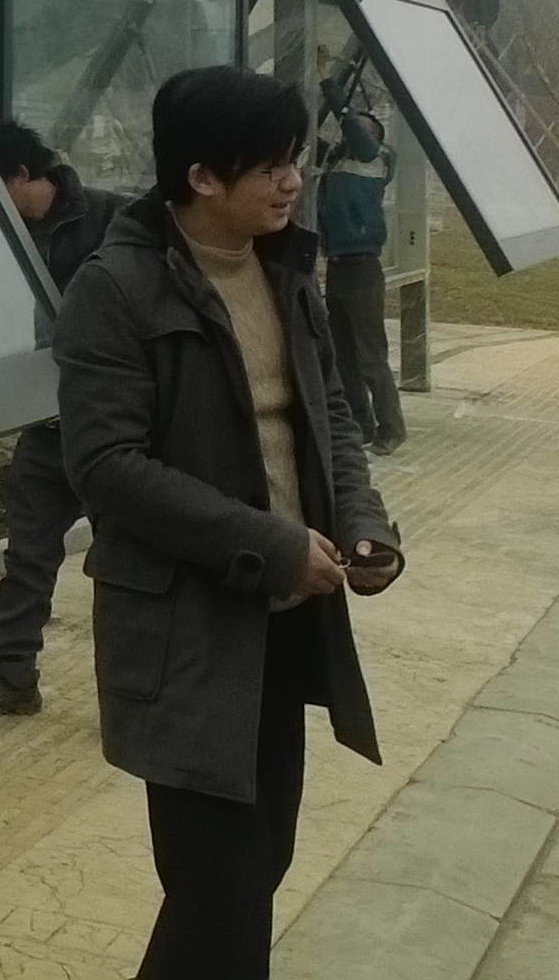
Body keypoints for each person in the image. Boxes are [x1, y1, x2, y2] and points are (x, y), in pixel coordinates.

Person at [58, 64, 402, 979]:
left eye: (295, 159)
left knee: (252, 875)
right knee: (223, 890)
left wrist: (362, 523)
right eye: (272, 166)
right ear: (202, 176)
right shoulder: (117, 288)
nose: (294, 180)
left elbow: (327, 415)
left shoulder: (284, 270)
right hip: (186, 633)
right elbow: (107, 468)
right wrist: (273, 545)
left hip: (284, 628)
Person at [0, 119, 127, 722]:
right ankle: (11, 676)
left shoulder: (113, 221)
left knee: (125, 564)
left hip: (114, 429)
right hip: (46, 427)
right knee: (28, 556)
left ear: (22, 174)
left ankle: (132, 695)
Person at [316, 106, 409, 454]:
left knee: (371, 357)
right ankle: (360, 425)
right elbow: (311, 136)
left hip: (363, 268)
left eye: (360, 127)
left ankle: (392, 429)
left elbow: (355, 130)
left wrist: (333, 90)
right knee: (344, 356)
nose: (349, 131)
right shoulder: (339, 162)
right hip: (338, 266)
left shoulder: (375, 159)